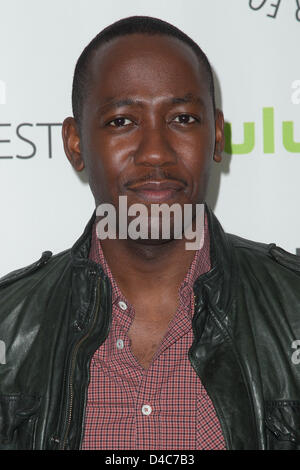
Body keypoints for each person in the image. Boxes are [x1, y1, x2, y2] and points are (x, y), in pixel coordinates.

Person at [1, 15, 300, 451]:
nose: (156, 152)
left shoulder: (293, 309)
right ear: (75, 144)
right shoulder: (10, 327)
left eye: (182, 117)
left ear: (217, 136)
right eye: (122, 122)